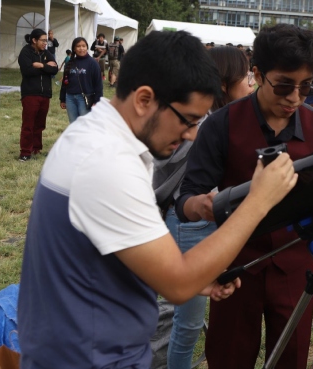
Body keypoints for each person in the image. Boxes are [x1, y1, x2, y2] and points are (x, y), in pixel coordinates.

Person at [18, 30, 298, 369]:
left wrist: (198, 274)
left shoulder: (95, 138)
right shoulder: (106, 163)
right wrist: (258, 201)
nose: (192, 134)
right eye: (188, 120)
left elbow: (113, 249)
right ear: (144, 100)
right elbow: (178, 284)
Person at [175, 24, 313, 369]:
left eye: (306, 86)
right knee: (229, 358)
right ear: (258, 74)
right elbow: (187, 198)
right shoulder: (221, 124)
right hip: (235, 269)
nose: (294, 97)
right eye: (283, 85)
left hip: (297, 268)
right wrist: (199, 206)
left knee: (291, 359)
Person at [154, 45, 255, 369]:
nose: (251, 84)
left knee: (196, 314)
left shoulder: (232, 120)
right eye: (247, 77)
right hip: (191, 223)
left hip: (215, 222)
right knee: (186, 319)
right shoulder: (204, 123)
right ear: (225, 83)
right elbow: (166, 169)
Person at [17, 28, 57, 162]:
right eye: (43, 40)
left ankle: (36, 148)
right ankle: (25, 152)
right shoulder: (25, 52)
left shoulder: (47, 53)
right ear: (34, 40)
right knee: (28, 124)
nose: (46, 43)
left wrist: (40, 65)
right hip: (30, 93)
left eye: (46, 40)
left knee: (40, 124)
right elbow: (27, 71)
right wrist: (46, 67)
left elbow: (55, 69)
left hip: (45, 94)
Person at [60, 37, 103, 123]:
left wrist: (97, 101)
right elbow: (65, 82)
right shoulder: (70, 63)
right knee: (73, 125)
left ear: (87, 47)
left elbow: (98, 84)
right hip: (70, 98)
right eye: (78, 46)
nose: (81, 48)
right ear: (74, 49)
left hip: (85, 98)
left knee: (85, 125)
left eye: (83, 46)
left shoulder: (93, 63)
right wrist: (62, 99)